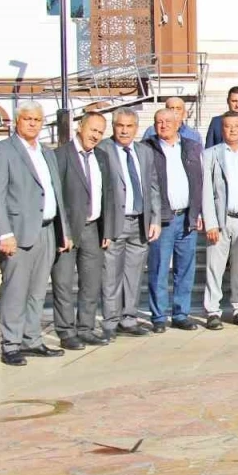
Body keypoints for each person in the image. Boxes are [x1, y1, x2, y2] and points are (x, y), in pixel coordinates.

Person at [0, 103, 70, 366]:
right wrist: (4, 233)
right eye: (27, 119)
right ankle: (11, 344)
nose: (32, 124)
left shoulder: (46, 152)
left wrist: (63, 231)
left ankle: (32, 339)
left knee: (37, 291)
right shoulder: (2, 150)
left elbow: (55, 193)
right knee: (15, 290)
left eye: (37, 120)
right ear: (17, 121)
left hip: (47, 230)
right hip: (17, 233)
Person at [50, 111, 114, 350]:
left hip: (93, 229)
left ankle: (86, 328)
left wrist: (107, 229)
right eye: (92, 130)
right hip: (68, 230)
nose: (95, 136)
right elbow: (55, 196)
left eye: (100, 132)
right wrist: (61, 231)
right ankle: (66, 331)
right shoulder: (60, 156)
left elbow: (107, 194)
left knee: (91, 283)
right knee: (63, 283)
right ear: (80, 127)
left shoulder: (102, 157)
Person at [98, 108, 161, 339]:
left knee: (133, 275)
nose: (124, 130)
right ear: (113, 126)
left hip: (140, 221)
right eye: (120, 126)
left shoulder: (144, 151)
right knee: (111, 275)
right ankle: (110, 321)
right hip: (115, 222)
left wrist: (155, 219)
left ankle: (129, 318)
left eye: (129, 126)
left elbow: (153, 186)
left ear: (136, 128)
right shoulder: (103, 150)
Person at [144, 107, 204, 332]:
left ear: (178, 123)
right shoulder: (148, 148)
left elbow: (198, 181)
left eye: (168, 121)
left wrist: (198, 212)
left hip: (187, 217)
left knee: (185, 269)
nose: (163, 125)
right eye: (159, 121)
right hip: (163, 219)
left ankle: (181, 314)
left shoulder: (191, 146)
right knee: (159, 268)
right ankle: (159, 316)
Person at [201, 111, 238, 329]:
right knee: (214, 267)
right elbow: (206, 190)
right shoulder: (211, 154)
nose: (232, 130)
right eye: (228, 126)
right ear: (222, 128)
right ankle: (212, 311)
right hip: (221, 219)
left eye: (236, 126)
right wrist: (211, 222)